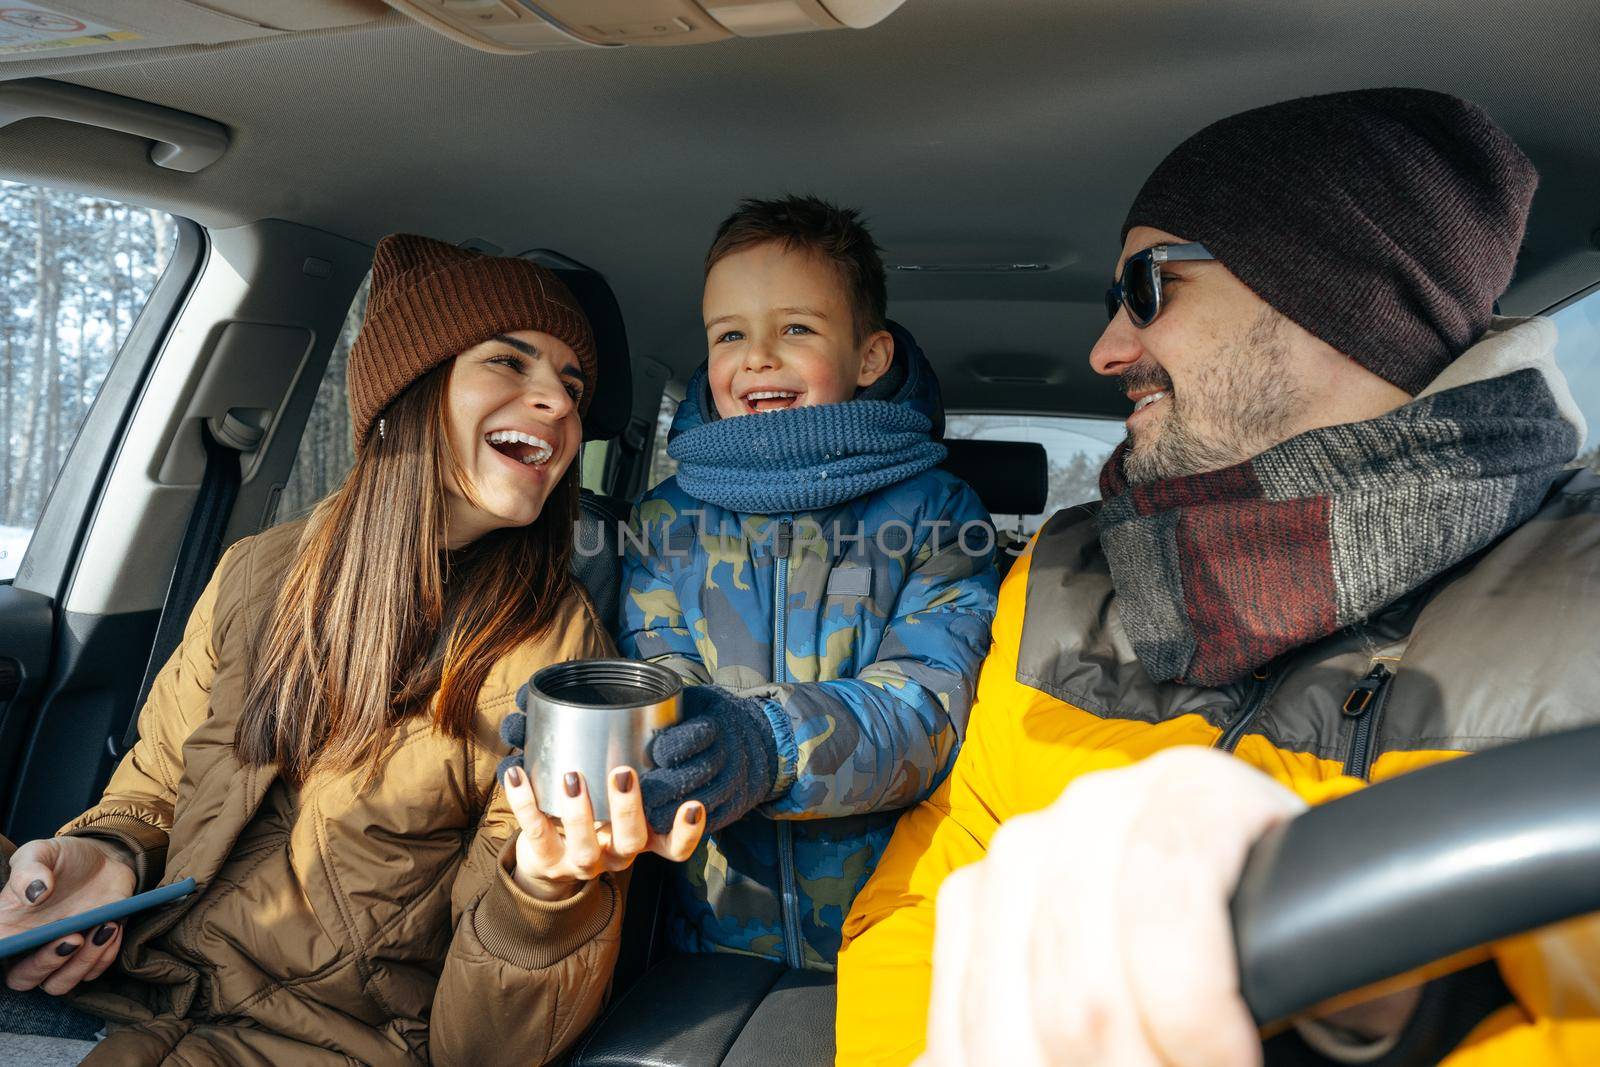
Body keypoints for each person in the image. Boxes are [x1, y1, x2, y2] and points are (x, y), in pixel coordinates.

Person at [836, 88, 1600, 1065]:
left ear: (1329, 286)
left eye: (1146, 287)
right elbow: (926, 894)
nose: (1107, 348)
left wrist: (1381, 1009)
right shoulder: (1061, 573)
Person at [0, 234, 705, 1066]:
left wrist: (546, 893)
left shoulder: (554, 653)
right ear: (409, 387)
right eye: (510, 362)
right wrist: (107, 852)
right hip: (131, 991)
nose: (556, 397)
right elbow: (157, 782)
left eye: (572, 382)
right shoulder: (256, 572)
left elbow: (483, 1052)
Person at [504, 195, 998, 970]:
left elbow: (931, 710)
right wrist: (589, 752)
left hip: (903, 933)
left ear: (869, 358)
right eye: (730, 335)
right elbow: (662, 676)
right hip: (709, 932)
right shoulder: (667, 519)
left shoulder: (939, 514)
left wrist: (765, 742)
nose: (758, 357)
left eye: (795, 328)